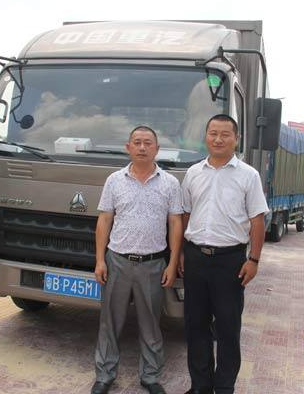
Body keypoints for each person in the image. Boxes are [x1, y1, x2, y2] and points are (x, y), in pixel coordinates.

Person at [179, 114, 268, 394]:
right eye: (213, 133)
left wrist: (253, 260)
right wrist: (182, 252)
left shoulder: (248, 175)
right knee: (196, 326)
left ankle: (225, 386)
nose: (218, 139)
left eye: (225, 134)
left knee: (228, 328)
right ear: (205, 136)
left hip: (230, 262)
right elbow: (185, 214)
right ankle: (201, 386)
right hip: (195, 258)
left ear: (236, 138)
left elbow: (257, 220)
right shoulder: (193, 173)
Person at [92, 125, 183, 394]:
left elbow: (175, 223)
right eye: (137, 142)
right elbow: (104, 220)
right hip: (117, 261)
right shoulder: (114, 180)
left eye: (148, 143)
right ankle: (105, 375)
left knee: (151, 323)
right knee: (110, 321)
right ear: (128, 147)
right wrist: (100, 260)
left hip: (153, 264)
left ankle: (151, 377)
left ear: (157, 148)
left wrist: (172, 261)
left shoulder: (169, 183)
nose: (142, 147)